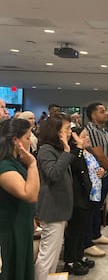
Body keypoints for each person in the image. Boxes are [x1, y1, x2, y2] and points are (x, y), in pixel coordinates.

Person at [34, 113, 78, 280]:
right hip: (52, 208)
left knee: (52, 255)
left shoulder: (57, 149)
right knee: (47, 255)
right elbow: (53, 174)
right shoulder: (46, 150)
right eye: (66, 129)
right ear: (56, 131)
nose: (69, 132)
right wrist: (67, 151)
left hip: (59, 208)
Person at [0, 118, 40, 280]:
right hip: (10, 227)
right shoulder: (4, 166)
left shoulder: (15, 161)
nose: (30, 142)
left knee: (22, 265)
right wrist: (32, 164)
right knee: (12, 268)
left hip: (21, 222)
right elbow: (29, 194)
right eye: (28, 137)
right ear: (16, 140)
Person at [63, 128, 103, 275]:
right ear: (75, 139)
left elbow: (95, 168)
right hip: (78, 197)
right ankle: (70, 260)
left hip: (90, 195)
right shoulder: (74, 153)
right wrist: (79, 147)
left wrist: (101, 171)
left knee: (82, 228)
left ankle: (79, 256)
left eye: (87, 136)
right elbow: (77, 166)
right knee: (74, 230)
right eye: (83, 136)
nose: (87, 138)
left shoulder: (88, 152)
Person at [84, 103, 108, 257]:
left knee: (98, 207)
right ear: (92, 115)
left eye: (106, 111)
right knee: (91, 208)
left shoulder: (102, 130)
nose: (106, 114)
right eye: (102, 111)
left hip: (106, 173)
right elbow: (99, 154)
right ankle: (87, 241)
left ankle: (96, 234)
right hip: (97, 176)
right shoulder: (91, 130)